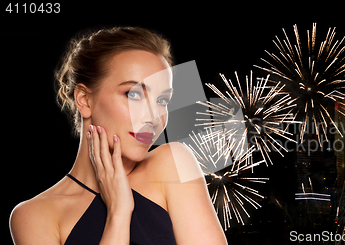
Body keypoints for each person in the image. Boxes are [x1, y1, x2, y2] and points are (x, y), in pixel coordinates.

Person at [9, 26, 227, 245]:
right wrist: (119, 213)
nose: (153, 117)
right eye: (133, 94)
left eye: (162, 101)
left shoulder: (173, 164)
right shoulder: (34, 216)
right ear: (84, 100)